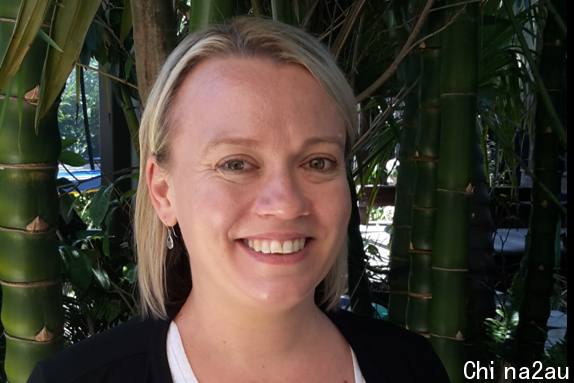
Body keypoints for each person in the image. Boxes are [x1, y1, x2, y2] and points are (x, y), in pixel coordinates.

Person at [28, 17, 450, 383]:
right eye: (235, 164)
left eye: (318, 162)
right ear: (163, 191)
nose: (285, 203)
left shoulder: (410, 367)